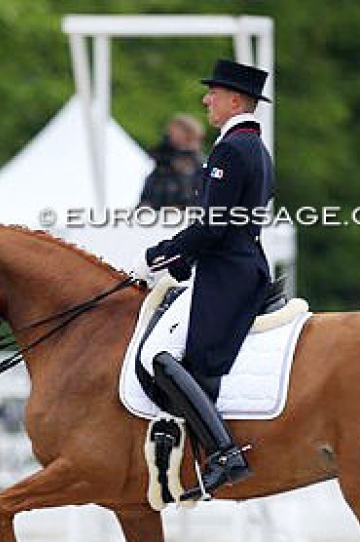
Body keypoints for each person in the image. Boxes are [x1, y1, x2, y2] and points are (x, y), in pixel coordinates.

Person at [132, 59, 274, 501]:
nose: (205, 100)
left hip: (229, 274)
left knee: (158, 352)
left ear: (235, 100)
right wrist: (180, 262)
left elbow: (213, 225)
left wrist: (161, 253)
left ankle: (223, 452)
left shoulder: (233, 150)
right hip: (233, 264)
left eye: (213, 93)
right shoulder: (252, 146)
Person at [138, 114, 205, 209]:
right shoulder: (163, 158)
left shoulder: (197, 163)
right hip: (156, 210)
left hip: (181, 214)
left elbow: (195, 193)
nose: (171, 134)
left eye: (177, 131)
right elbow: (150, 189)